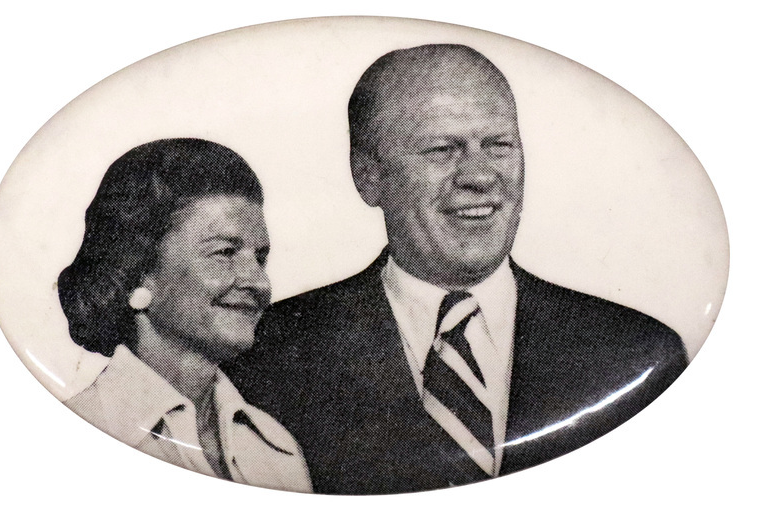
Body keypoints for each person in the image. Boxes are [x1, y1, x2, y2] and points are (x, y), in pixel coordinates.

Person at [230, 44, 688, 494]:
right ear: (368, 176)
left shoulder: (639, 357)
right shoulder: (263, 356)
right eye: (442, 149)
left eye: (499, 145)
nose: (480, 176)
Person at [59, 138, 312, 493]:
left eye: (260, 257)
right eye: (224, 252)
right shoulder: (74, 433)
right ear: (136, 273)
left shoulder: (276, 449)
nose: (259, 281)